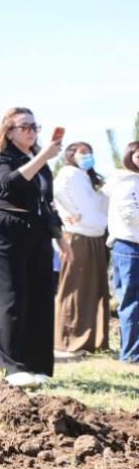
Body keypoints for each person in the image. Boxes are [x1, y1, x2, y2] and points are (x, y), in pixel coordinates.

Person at [0, 108, 69, 387]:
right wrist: (43, 156)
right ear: (9, 132)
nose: (31, 131)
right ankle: (13, 366)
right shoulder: (1, 159)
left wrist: (60, 236)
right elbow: (8, 185)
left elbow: (46, 202)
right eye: (24, 127)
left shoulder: (38, 162)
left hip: (37, 229)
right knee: (11, 298)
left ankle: (37, 364)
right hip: (8, 229)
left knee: (40, 298)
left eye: (34, 126)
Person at [53, 142, 110, 354]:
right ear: (71, 155)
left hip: (96, 236)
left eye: (90, 152)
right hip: (77, 235)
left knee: (94, 289)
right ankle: (68, 339)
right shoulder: (67, 173)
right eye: (83, 152)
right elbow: (57, 192)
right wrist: (70, 212)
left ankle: (93, 340)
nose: (88, 156)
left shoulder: (87, 178)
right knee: (75, 288)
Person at [107, 141, 139, 363]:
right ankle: (131, 355)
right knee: (131, 301)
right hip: (130, 246)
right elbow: (130, 213)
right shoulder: (126, 182)